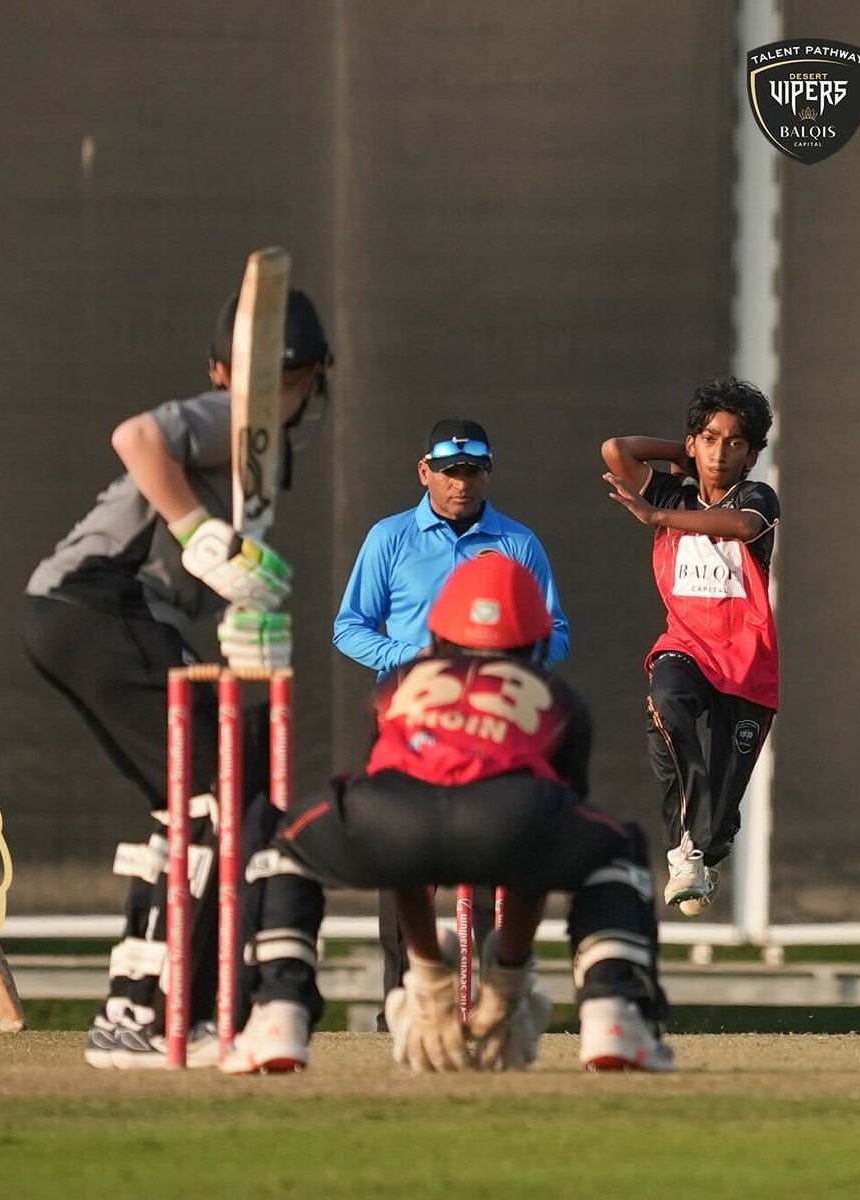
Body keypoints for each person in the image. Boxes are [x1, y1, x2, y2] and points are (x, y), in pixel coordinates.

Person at [22, 285, 332, 1067]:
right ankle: (153, 1016)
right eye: (275, 381)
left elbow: (201, 571)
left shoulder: (260, 445)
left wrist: (236, 603)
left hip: (94, 615)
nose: (278, 399)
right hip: (99, 602)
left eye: (287, 382)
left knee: (202, 800)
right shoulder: (230, 416)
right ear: (225, 376)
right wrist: (198, 533)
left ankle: (143, 1008)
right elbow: (136, 438)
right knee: (218, 794)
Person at [223, 554, 673, 1075]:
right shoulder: (559, 698)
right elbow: (538, 860)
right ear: (535, 640)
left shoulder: (395, 686)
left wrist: (428, 971)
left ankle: (279, 1013)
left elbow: (402, 861)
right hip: (511, 818)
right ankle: (612, 1013)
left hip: (391, 815)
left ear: (437, 632)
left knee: (285, 845)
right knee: (617, 849)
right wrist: (506, 977)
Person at [332, 418, 570, 1021]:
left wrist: (506, 659)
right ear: (426, 472)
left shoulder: (517, 543)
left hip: (492, 718)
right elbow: (349, 626)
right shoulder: (389, 538)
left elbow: (557, 632)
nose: (461, 483)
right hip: (413, 716)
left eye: (472, 471)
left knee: (492, 851)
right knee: (404, 852)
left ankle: (493, 1005)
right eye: (449, 472)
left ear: (488, 472)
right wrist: (410, 658)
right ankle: (402, 1002)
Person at [601, 376, 778, 916]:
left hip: (747, 666)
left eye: (734, 443)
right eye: (709, 438)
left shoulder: (755, 496)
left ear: (751, 456)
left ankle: (707, 846)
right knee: (667, 705)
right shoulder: (677, 486)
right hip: (686, 646)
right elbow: (617, 450)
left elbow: (740, 525)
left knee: (719, 828)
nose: (720, 453)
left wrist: (657, 516)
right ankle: (685, 850)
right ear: (693, 442)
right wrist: (687, 452)